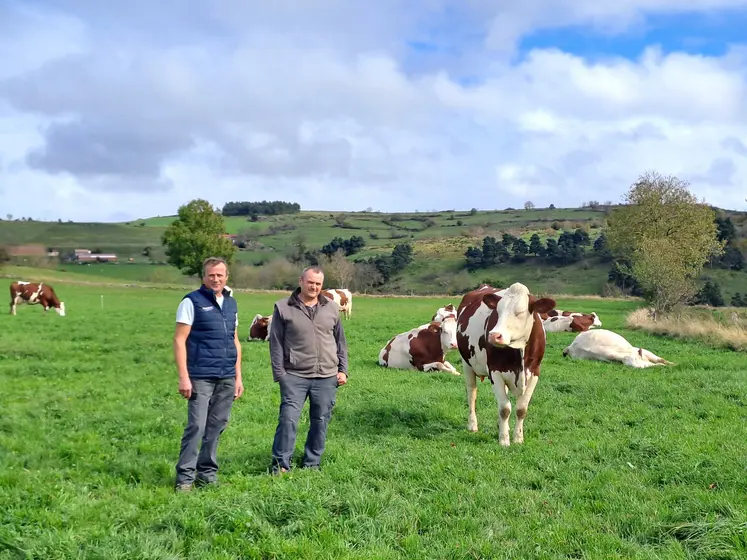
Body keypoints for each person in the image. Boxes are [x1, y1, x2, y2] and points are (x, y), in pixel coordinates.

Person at [173, 256, 244, 492]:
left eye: (220, 275)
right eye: (211, 275)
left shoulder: (232, 303)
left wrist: (238, 376)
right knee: (197, 425)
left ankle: (207, 472)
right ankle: (185, 477)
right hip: (200, 375)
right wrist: (184, 377)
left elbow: (234, 340)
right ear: (204, 277)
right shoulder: (191, 301)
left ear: (227, 277)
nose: (216, 279)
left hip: (226, 375)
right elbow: (179, 339)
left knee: (218, 424)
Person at [269, 265, 348, 473]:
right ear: (301, 281)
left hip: (327, 376)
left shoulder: (331, 307)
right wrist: (280, 375)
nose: (314, 287)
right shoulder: (283, 307)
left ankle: (312, 463)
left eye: (318, 284)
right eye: (310, 282)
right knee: (288, 419)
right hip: (294, 375)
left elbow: (340, 341)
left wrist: (343, 369)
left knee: (320, 420)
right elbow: (275, 344)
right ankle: (280, 465)